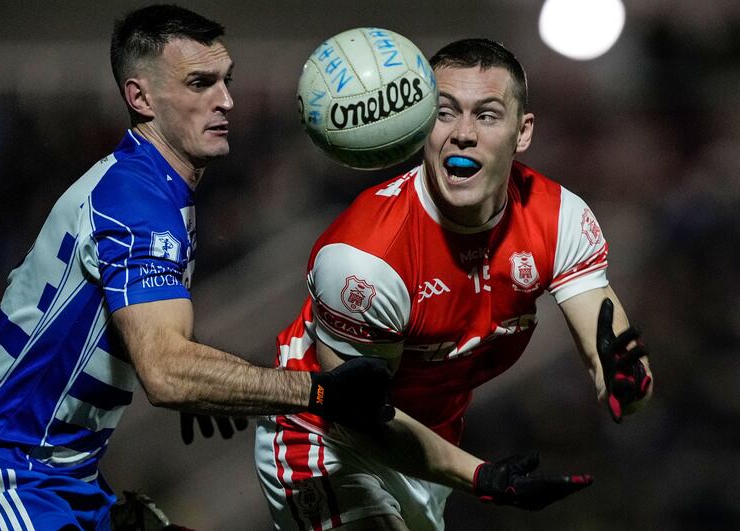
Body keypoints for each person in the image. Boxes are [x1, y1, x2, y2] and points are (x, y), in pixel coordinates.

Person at [0, 5, 392, 529]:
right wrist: (321, 393)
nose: (225, 100)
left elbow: (149, 333)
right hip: (0, 476)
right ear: (141, 97)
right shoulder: (138, 202)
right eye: (200, 83)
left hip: (64, 478)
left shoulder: (149, 187)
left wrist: (210, 373)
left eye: (226, 81)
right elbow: (167, 372)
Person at [253, 38, 654, 530]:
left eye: (486, 115)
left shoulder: (560, 219)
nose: (462, 134)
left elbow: (609, 349)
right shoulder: (365, 259)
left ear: (522, 132)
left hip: (431, 448)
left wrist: (630, 385)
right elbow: (356, 414)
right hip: (326, 436)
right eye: (444, 113)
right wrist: (481, 476)